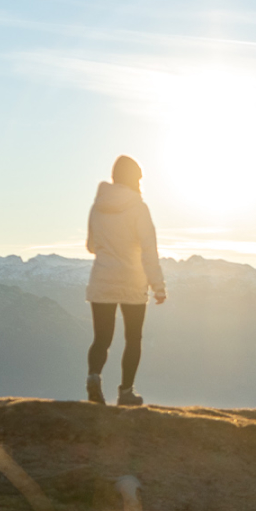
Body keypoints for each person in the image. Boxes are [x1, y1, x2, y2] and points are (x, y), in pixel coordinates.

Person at [85, 155, 166, 406]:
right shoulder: (138, 208)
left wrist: (109, 249)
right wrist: (158, 285)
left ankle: (93, 378)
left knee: (102, 338)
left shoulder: (97, 206)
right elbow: (148, 249)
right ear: (134, 178)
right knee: (133, 338)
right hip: (132, 280)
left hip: (102, 279)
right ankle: (126, 392)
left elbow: (90, 246)